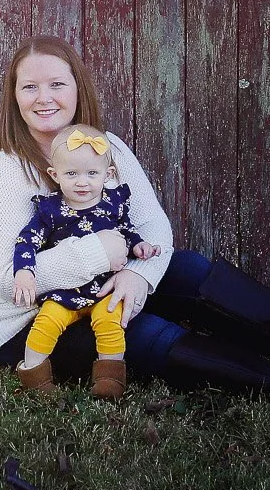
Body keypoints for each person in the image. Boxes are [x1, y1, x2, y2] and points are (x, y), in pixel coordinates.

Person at [0, 36, 270, 397]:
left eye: (56, 85)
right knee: (139, 328)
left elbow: (154, 227)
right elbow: (7, 279)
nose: (44, 98)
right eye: (29, 87)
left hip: (97, 286)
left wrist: (138, 276)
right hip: (22, 324)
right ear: (14, 98)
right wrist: (100, 254)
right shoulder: (2, 171)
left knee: (188, 266)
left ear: (78, 88)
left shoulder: (107, 148)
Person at [9, 124, 161, 398]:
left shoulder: (113, 204)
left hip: (105, 289)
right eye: (72, 174)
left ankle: (110, 380)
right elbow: (27, 240)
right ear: (55, 175)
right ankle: (35, 378)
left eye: (92, 173)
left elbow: (127, 230)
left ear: (108, 174)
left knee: (111, 324)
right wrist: (24, 273)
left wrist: (139, 246)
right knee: (45, 324)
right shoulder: (50, 210)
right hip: (65, 292)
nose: (82, 182)